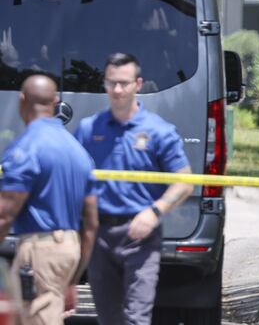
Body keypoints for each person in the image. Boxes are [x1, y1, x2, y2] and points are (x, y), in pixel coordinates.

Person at [74, 53, 194, 324]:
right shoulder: (88, 129)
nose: (117, 90)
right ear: (104, 84)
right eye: (112, 83)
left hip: (140, 236)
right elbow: (72, 177)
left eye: (124, 83)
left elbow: (185, 181)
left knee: (136, 318)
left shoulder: (158, 131)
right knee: (108, 318)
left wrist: (154, 212)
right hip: (99, 236)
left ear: (138, 84)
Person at [0, 74, 98, 325]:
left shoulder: (27, 146)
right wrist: (74, 278)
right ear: (55, 102)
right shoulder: (77, 149)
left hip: (39, 249)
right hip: (69, 248)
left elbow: (5, 213)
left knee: (38, 319)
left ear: (22, 101)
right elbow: (91, 223)